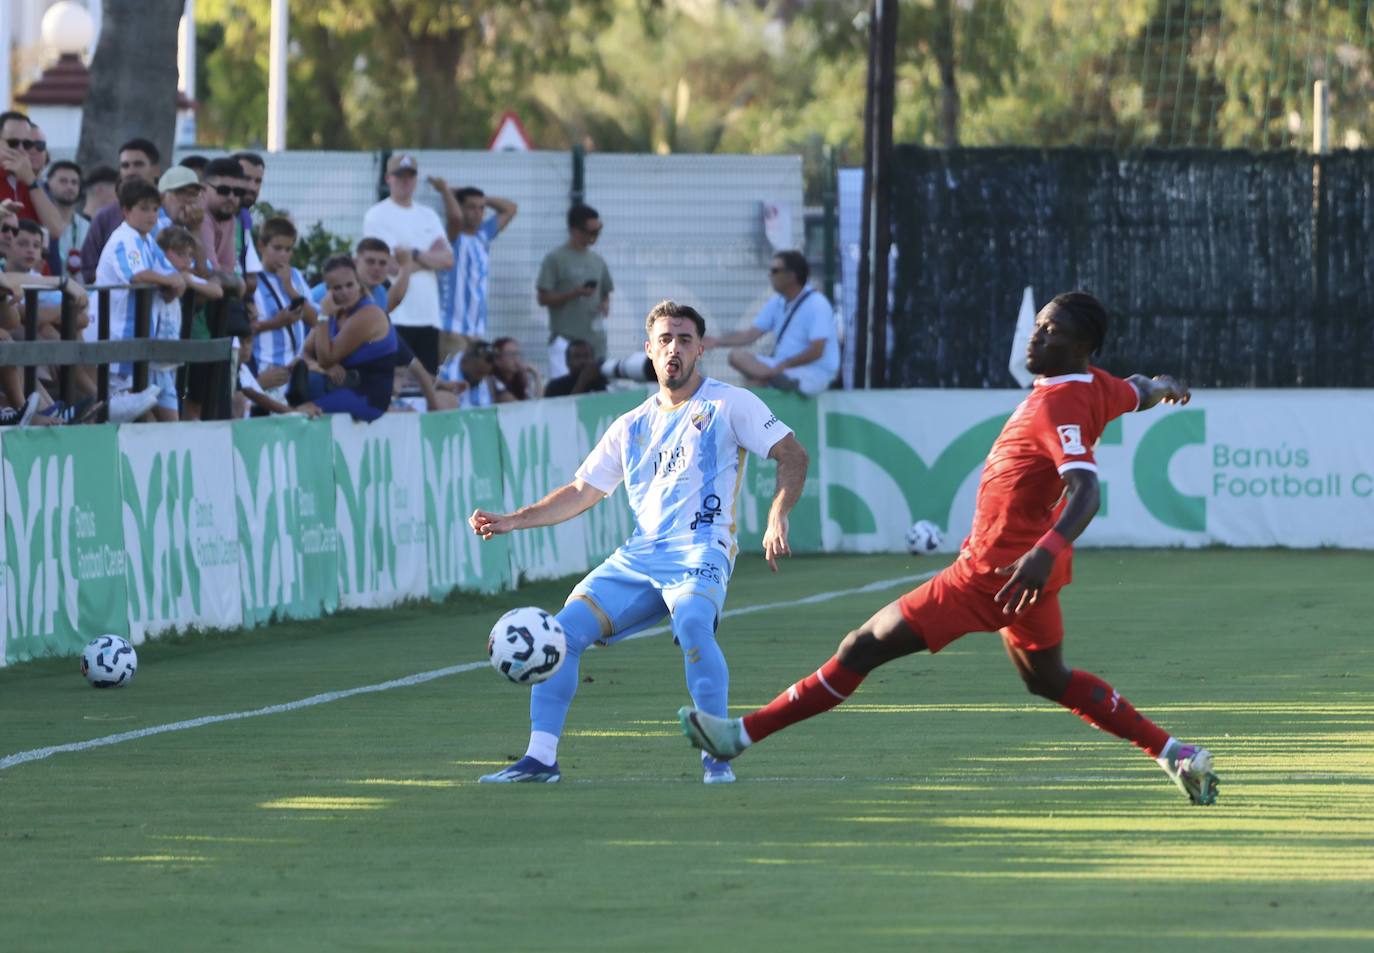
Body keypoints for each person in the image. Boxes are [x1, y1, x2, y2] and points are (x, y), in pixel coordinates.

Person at [679, 291, 1220, 805]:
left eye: (1051, 331)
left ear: (1080, 347)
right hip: (1026, 576)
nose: (1035, 338)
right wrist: (1160, 384)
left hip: (990, 574)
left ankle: (739, 736)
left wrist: (1046, 550)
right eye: (1037, 326)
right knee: (1049, 679)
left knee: (860, 647)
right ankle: (1177, 754)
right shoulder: (1095, 385)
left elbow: (1087, 490)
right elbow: (1134, 390)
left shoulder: (1062, 407)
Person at [470, 299, 810, 785]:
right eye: (665, 339)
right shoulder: (630, 426)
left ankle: (717, 757)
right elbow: (580, 492)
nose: (675, 348)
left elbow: (792, 455)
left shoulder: (729, 403)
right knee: (562, 635)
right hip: (639, 557)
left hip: (700, 550)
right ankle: (540, 760)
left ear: (701, 350)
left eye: (685, 339)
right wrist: (512, 521)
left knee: (694, 624)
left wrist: (778, 515)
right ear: (649, 350)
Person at [92, 178, 187, 423]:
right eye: (144, 208)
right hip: (121, 353)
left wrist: (174, 283)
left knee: (167, 428)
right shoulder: (125, 238)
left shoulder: (146, 241)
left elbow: (172, 275)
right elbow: (137, 276)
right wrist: (170, 283)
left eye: (155, 209)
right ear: (126, 210)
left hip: (144, 352)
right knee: (142, 428)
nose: (152, 215)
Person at [361, 153, 453, 374]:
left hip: (428, 316)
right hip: (396, 314)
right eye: (399, 176)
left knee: (426, 382)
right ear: (388, 179)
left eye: (410, 176)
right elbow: (389, 266)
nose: (405, 181)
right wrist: (429, 258)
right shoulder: (377, 215)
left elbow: (448, 259)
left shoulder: (428, 215)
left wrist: (411, 254)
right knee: (396, 382)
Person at [704, 250, 839, 396]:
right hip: (781, 367)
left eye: (775, 271)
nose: (770, 275)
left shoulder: (817, 304)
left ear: (791, 276)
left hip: (812, 372)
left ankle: (775, 378)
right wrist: (716, 341)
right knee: (736, 357)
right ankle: (774, 379)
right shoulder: (778, 301)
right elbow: (750, 335)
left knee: (754, 382)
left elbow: (817, 350)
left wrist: (783, 365)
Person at [297, 255, 397, 422]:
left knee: (299, 411)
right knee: (299, 387)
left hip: (367, 398)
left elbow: (326, 358)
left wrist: (323, 315)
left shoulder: (368, 314)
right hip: (338, 387)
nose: (344, 292)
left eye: (349, 285)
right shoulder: (335, 310)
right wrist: (319, 367)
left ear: (358, 283)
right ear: (327, 291)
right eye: (337, 288)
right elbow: (306, 353)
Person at [430, 176, 517, 353]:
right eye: (471, 207)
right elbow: (454, 217)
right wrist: (447, 191)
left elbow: (510, 208)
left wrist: (480, 198)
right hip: (451, 327)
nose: (477, 212)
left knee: (471, 380)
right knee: (452, 379)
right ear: (460, 207)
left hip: (476, 329)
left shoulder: (483, 234)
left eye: (481, 208)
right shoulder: (452, 236)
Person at [536, 203, 613, 378]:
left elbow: (606, 291)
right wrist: (573, 294)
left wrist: (604, 304)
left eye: (598, 230)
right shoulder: (555, 259)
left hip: (594, 344)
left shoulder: (597, 260)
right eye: (591, 231)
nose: (595, 236)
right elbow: (543, 298)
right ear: (574, 230)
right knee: (565, 392)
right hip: (566, 342)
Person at [251, 216, 317, 400]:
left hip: (294, 371)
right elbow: (245, 330)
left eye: (288, 249)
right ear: (262, 246)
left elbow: (313, 320)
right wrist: (276, 323)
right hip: (265, 369)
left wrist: (289, 288)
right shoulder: (252, 280)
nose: (283, 255)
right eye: (277, 248)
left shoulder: (295, 276)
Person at [81, 137, 162, 282]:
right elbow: (89, 269)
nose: (131, 171)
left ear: (155, 170)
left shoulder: (169, 213)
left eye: (138, 164)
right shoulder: (105, 217)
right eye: (125, 166)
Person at [0, 111, 63, 236]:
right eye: (13, 143)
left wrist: (31, 182)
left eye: (27, 144)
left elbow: (56, 229)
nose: (21, 149)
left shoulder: (30, 182)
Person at [42, 160, 88, 279]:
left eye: (74, 182)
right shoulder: (40, 224)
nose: (70, 187)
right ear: (48, 185)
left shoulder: (88, 227)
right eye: (63, 181)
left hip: (82, 292)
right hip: (47, 293)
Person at [434, 339, 496, 409]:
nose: (481, 378)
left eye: (485, 374)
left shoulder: (485, 382)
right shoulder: (443, 376)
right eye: (479, 372)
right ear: (465, 360)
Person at [541, 337, 608, 398]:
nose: (582, 361)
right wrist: (582, 381)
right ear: (567, 362)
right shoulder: (555, 386)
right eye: (577, 357)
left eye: (586, 356)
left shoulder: (602, 383)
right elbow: (565, 409)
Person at [490, 336, 539, 402]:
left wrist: (536, 375)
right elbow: (522, 407)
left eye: (517, 354)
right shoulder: (494, 381)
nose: (516, 359)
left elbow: (538, 402)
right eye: (510, 354)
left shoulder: (518, 379)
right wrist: (536, 374)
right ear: (497, 360)